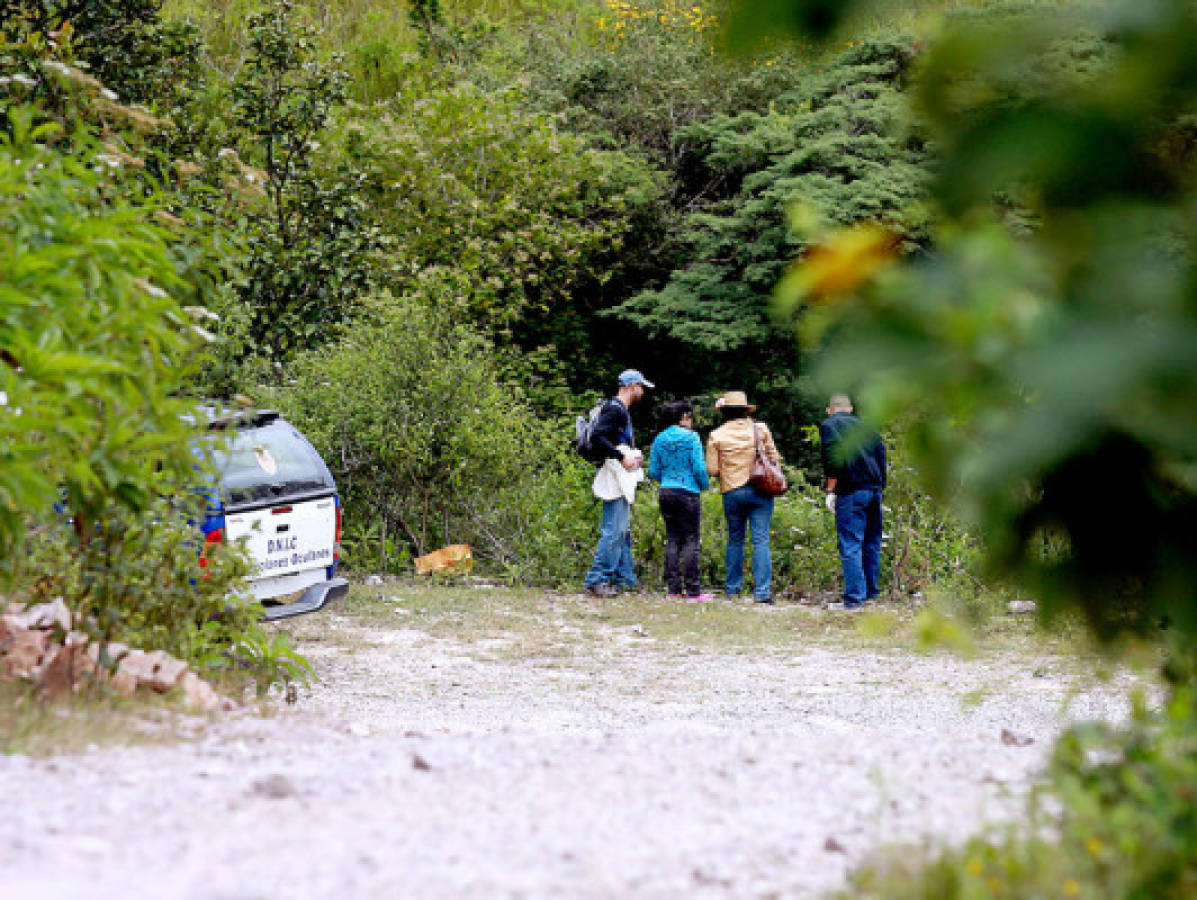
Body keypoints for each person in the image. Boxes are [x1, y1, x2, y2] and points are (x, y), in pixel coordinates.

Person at [705, 391, 782, 604]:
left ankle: (732, 590)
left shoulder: (716, 435)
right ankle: (762, 592)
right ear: (746, 410)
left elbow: (711, 469)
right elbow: (774, 458)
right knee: (761, 540)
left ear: (724, 412)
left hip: (733, 491)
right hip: (761, 489)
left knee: (735, 540)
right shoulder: (761, 429)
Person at [583, 369, 653, 597]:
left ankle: (626, 579)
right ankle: (597, 580)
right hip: (615, 476)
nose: (642, 392)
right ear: (633, 386)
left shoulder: (617, 408)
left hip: (618, 474)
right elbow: (598, 437)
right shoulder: (615, 409)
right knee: (614, 530)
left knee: (622, 530)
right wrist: (621, 456)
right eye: (641, 387)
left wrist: (630, 455)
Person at [820, 394, 888, 610]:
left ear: (829, 410)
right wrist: (880, 486)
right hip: (874, 490)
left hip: (851, 491)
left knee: (850, 544)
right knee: (872, 543)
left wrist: (831, 490)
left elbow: (833, 458)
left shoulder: (830, 425)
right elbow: (881, 455)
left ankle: (854, 599)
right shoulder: (868, 428)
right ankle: (870, 594)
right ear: (850, 409)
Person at [648, 401, 712, 601]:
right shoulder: (691, 438)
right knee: (691, 539)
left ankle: (673, 590)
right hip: (688, 491)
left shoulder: (659, 438)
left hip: (666, 490)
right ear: (684, 416)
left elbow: (653, 471)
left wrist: (666, 480)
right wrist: (703, 485)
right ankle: (693, 590)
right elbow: (700, 468)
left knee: (673, 538)